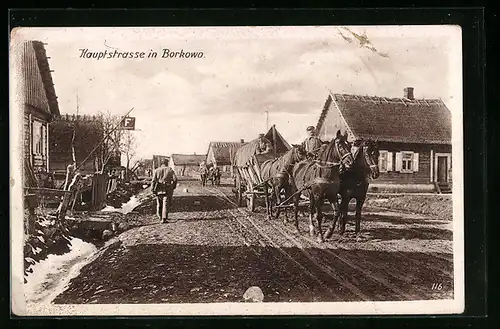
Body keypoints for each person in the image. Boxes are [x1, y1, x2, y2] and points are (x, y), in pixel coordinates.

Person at [151, 158, 178, 223]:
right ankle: (164, 218)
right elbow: (175, 179)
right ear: (167, 163)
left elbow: (153, 181)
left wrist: (152, 189)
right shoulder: (170, 170)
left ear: (161, 163)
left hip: (159, 189)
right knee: (165, 203)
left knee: (159, 203)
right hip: (167, 189)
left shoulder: (157, 170)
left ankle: (160, 216)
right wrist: (173, 186)